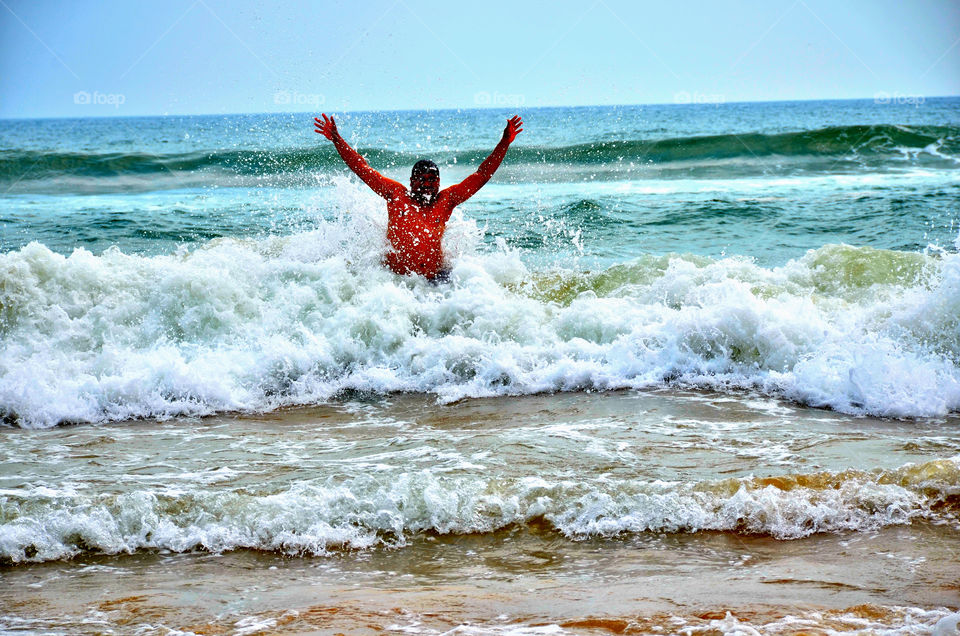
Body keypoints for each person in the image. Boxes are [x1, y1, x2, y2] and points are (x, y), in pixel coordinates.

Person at [314, 113, 523, 280]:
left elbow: (482, 175)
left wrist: (505, 142)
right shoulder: (396, 194)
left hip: (435, 280)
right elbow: (361, 168)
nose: (427, 185)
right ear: (411, 182)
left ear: (439, 183)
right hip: (394, 282)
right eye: (421, 179)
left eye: (433, 180)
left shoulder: (446, 200)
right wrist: (336, 138)